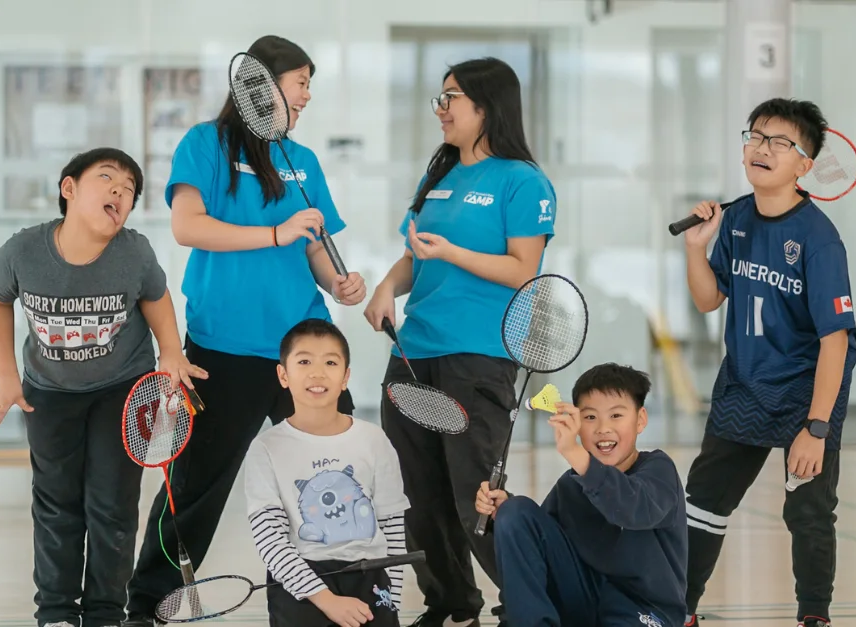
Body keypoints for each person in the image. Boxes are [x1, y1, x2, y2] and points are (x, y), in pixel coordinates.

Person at [124, 35, 368, 625]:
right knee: (196, 488)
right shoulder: (205, 143)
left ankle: (345, 597)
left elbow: (314, 246)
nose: (307, 96)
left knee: (333, 476)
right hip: (224, 347)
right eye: (301, 82)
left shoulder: (302, 160)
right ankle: (146, 604)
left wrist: (339, 283)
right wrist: (275, 234)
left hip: (302, 347)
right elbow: (188, 226)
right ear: (261, 85)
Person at [363, 56, 557, 627]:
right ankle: (452, 605)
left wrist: (451, 252)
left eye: (452, 98)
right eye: (440, 98)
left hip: (479, 359)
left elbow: (523, 270)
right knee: (417, 496)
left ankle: (532, 605)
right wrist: (386, 287)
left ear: (486, 107)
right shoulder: (438, 178)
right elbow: (413, 256)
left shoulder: (523, 181)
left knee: (474, 494)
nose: (441, 110)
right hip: (413, 353)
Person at [0, 147, 207, 627]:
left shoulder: (134, 252)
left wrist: (170, 350)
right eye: (107, 179)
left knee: (112, 506)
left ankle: (104, 613)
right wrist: (6, 375)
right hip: (48, 392)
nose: (119, 191)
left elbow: (155, 295)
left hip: (121, 389)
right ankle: (57, 612)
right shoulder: (23, 251)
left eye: (129, 190)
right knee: (56, 505)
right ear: (69, 189)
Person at [680, 98, 856, 627]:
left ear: (805, 165)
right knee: (704, 501)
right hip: (745, 385)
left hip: (807, 391)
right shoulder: (735, 219)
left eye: (780, 142)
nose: (762, 148)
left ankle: (813, 617)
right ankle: (678, 609)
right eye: (755, 137)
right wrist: (695, 249)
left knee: (808, 511)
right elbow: (708, 300)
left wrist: (817, 428)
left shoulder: (819, 239)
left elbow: (835, 343)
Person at [475, 363, 687, 627]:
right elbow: (541, 547)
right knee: (515, 512)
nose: (603, 428)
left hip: (642, 607)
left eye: (616, 415)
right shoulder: (572, 483)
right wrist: (504, 513)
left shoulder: (658, 468)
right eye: (590, 417)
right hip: (581, 605)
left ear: (640, 420)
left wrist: (575, 453)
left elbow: (632, 508)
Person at [241, 319, 410, 627]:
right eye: (304, 361)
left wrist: (392, 603)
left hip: (369, 572)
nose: (317, 373)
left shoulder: (374, 440)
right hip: (301, 577)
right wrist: (325, 599)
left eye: (330, 362)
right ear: (283, 375)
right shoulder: (265, 448)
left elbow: (393, 528)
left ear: (345, 377)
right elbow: (270, 538)